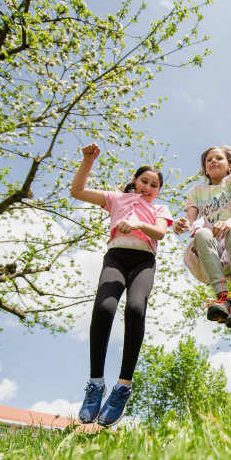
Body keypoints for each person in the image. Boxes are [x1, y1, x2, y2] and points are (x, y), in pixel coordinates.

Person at [70, 143, 173, 427]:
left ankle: (123, 386)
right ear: (134, 181)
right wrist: (87, 161)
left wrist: (138, 225)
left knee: (136, 310)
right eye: (144, 181)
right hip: (115, 256)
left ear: (158, 191)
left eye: (154, 185)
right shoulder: (116, 199)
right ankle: (95, 383)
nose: (148, 188)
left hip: (143, 261)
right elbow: (77, 191)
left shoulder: (159, 208)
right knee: (104, 309)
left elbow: (161, 233)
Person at [174, 145, 231, 328]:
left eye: (219, 158)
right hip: (212, 253)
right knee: (202, 232)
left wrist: (229, 223)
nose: (214, 161)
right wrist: (182, 224)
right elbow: (190, 220)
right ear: (205, 168)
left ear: (229, 165)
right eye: (209, 160)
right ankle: (222, 298)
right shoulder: (197, 191)